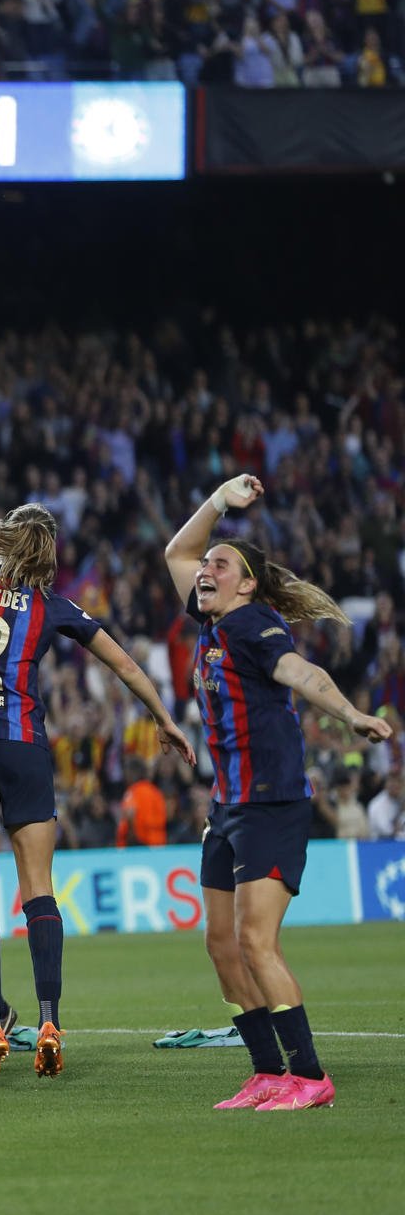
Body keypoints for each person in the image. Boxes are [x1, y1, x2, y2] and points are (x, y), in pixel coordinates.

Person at [0, 503, 193, 1078]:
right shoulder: (52, 606)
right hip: (24, 746)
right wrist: (163, 718)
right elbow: (123, 663)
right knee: (38, 888)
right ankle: (47, 1020)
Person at [164, 475, 394, 1110]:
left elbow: (301, 672)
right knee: (220, 944)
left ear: (248, 585)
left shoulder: (252, 624)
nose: (205, 570)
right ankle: (269, 1072)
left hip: (271, 803)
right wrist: (215, 501)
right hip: (229, 805)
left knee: (257, 942)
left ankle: (311, 1077)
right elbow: (176, 555)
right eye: (209, 564)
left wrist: (350, 715)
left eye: (222, 565)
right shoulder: (212, 616)